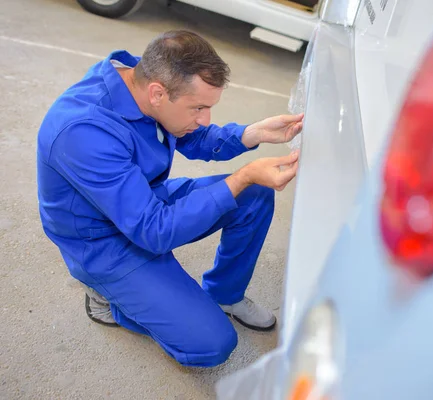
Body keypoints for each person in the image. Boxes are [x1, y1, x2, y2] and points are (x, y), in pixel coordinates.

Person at [36, 30, 303, 367]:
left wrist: (252, 134)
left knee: (254, 194)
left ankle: (224, 294)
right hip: (101, 241)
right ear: (158, 93)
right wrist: (242, 175)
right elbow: (154, 232)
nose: (205, 118)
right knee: (212, 344)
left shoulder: (141, 83)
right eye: (199, 108)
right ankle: (107, 300)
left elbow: (191, 136)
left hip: (144, 199)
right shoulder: (83, 132)